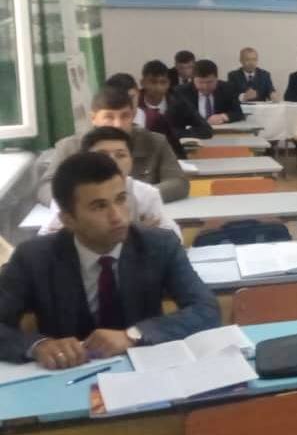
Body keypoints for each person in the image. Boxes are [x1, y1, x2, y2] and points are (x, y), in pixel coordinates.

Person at [1, 152, 220, 367]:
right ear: (68, 219)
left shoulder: (159, 245)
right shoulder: (33, 257)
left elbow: (206, 309)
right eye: (99, 206)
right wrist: (38, 345)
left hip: (143, 368)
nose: (117, 216)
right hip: (66, 372)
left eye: (121, 199)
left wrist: (133, 335)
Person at [38, 85, 188, 205]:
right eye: (109, 117)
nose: (118, 124)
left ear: (133, 116)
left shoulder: (155, 142)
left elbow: (179, 183)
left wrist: (131, 198)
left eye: (125, 116)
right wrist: (84, 201)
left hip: (143, 216)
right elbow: (46, 186)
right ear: (93, 118)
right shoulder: (70, 147)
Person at [39, 127, 181, 240]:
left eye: (121, 155)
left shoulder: (147, 194)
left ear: (131, 160)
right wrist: (137, 232)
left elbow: (174, 237)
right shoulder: (69, 193)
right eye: (102, 154)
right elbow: (45, 239)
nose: (113, 161)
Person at [139, 60, 212, 158]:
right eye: (153, 82)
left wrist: (173, 133)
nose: (158, 87)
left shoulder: (178, 101)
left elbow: (206, 130)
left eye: (163, 82)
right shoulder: (135, 103)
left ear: (169, 83)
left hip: (174, 156)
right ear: (143, 83)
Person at [175, 59, 245, 125]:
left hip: (221, 130)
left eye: (209, 82)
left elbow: (238, 113)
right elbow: (175, 116)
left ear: (216, 79)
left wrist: (223, 116)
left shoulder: (228, 88)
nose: (205, 86)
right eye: (200, 82)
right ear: (193, 80)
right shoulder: (181, 92)